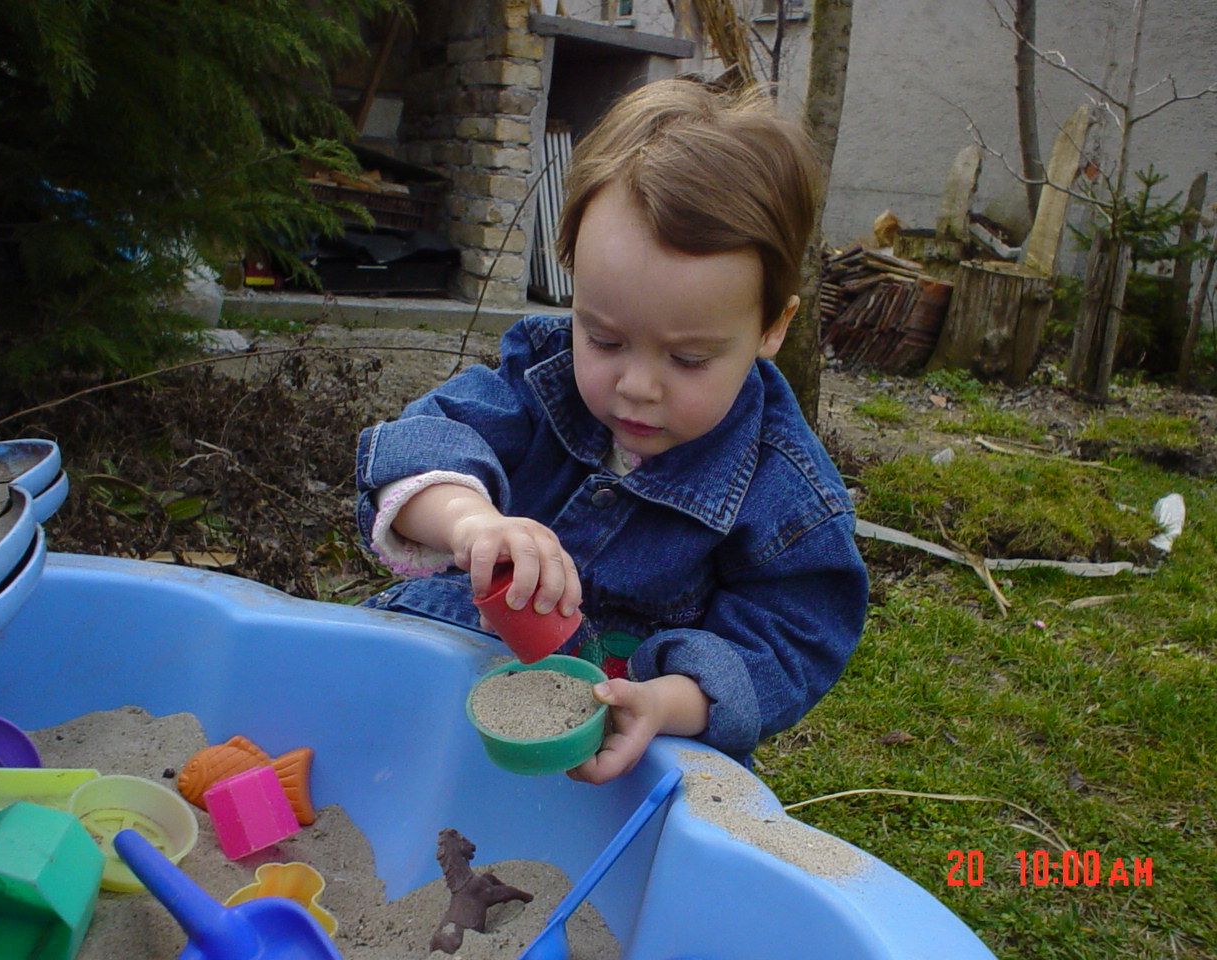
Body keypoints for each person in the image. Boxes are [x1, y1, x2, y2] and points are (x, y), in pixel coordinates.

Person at [355, 77, 868, 784]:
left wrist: (669, 700)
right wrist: (470, 522)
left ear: (772, 327)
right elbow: (425, 442)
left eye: (688, 359)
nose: (636, 386)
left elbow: (792, 639)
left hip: (632, 759)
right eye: (603, 337)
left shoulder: (784, 492)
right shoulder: (541, 377)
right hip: (455, 698)